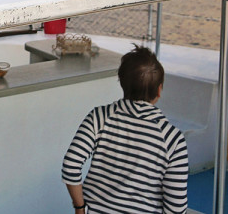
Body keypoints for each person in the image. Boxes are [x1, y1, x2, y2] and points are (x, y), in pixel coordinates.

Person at [62, 45, 188, 214]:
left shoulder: (99, 117)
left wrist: (79, 208)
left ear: (121, 82)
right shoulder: (173, 139)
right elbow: (176, 209)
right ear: (159, 90)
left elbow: (70, 166)